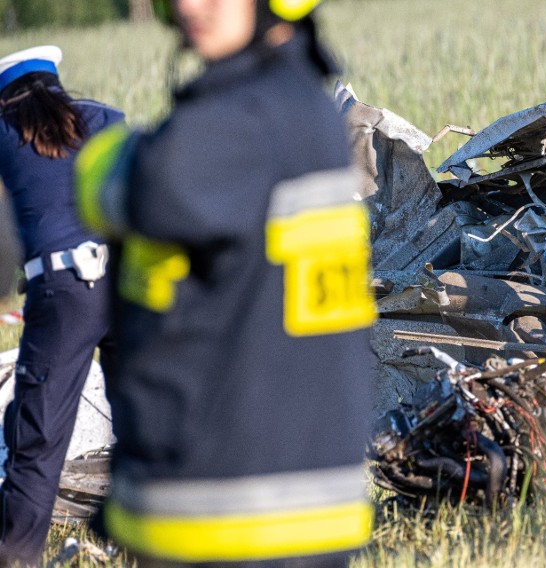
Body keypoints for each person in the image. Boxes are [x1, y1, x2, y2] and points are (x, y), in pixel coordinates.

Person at [75, 0, 376, 565]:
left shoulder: (241, 120)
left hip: (227, 504)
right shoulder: (306, 108)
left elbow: (146, 187)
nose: (192, 5)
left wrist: (104, 158)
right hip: (299, 490)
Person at [0, 46, 123, 564]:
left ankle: (16, 555)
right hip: (127, 278)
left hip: (63, 289)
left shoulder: (3, 135)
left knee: (38, 438)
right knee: (142, 420)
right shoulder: (104, 120)